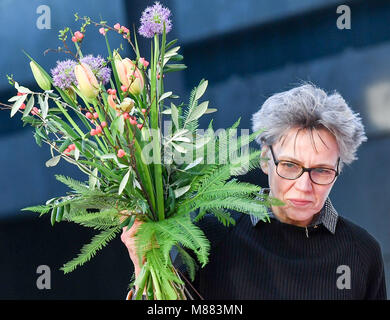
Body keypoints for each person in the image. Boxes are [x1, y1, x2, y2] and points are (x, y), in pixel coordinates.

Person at [121, 83, 387, 300]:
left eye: (321, 171)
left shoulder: (362, 253)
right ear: (264, 159)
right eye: (290, 165)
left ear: (338, 169)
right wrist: (143, 263)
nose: (304, 187)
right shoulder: (212, 237)